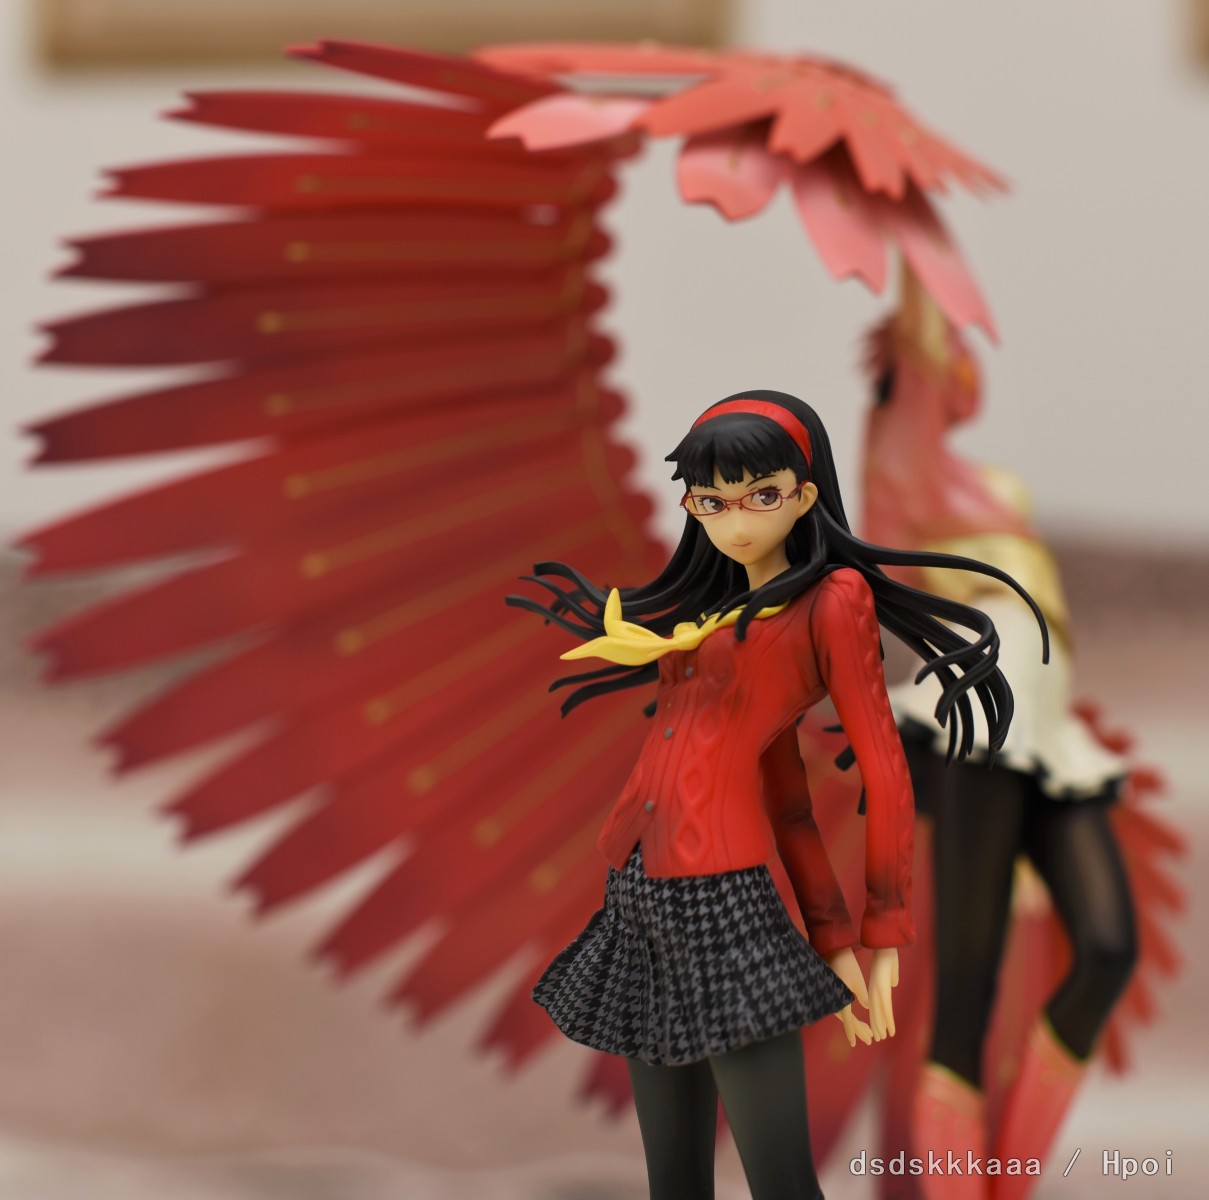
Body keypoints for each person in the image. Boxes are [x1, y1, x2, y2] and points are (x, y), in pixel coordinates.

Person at [509, 389, 1046, 1200]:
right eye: (711, 502)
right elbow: (785, 796)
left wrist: (878, 935)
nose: (734, 521)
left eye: (760, 496)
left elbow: (883, 769)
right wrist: (829, 934)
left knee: (781, 1180)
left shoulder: (831, 601)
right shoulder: (715, 611)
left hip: (721, 903)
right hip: (637, 894)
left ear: (803, 494)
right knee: (673, 1182)